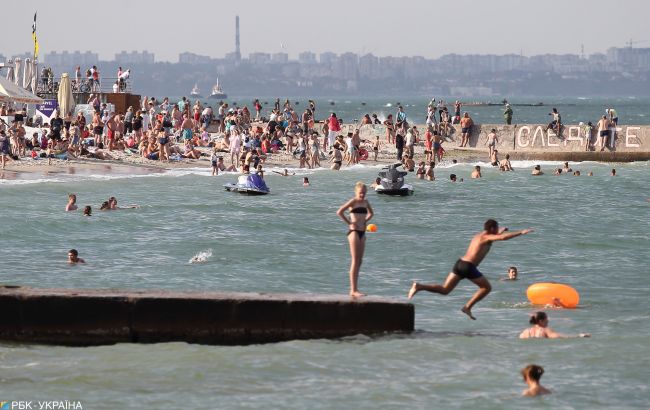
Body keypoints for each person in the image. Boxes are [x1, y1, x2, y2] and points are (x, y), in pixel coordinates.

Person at [408, 219, 534, 319]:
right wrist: (521, 232)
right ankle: (467, 307)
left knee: (445, 289)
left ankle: (419, 286)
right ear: (491, 229)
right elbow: (502, 238)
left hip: (460, 264)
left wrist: (500, 231)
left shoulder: (479, 236)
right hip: (469, 267)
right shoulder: (487, 237)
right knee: (486, 288)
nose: (497, 231)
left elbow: (494, 238)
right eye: (496, 228)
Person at [336, 182, 374, 298]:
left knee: (360, 261)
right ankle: (353, 290)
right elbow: (340, 212)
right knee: (355, 260)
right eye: (360, 193)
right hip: (353, 233)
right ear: (356, 192)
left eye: (364, 193)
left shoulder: (366, 202)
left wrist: (365, 221)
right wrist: (350, 223)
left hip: (363, 232)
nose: (362, 195)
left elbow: (371, 214)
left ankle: (355, 289)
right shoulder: (353, 202)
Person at [519, 311, 590, 338]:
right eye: (546, 319)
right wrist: (579, 336)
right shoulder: (545, 330)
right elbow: (559, 337)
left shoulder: (525, 332)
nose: (548, 320)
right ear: (541, 321)